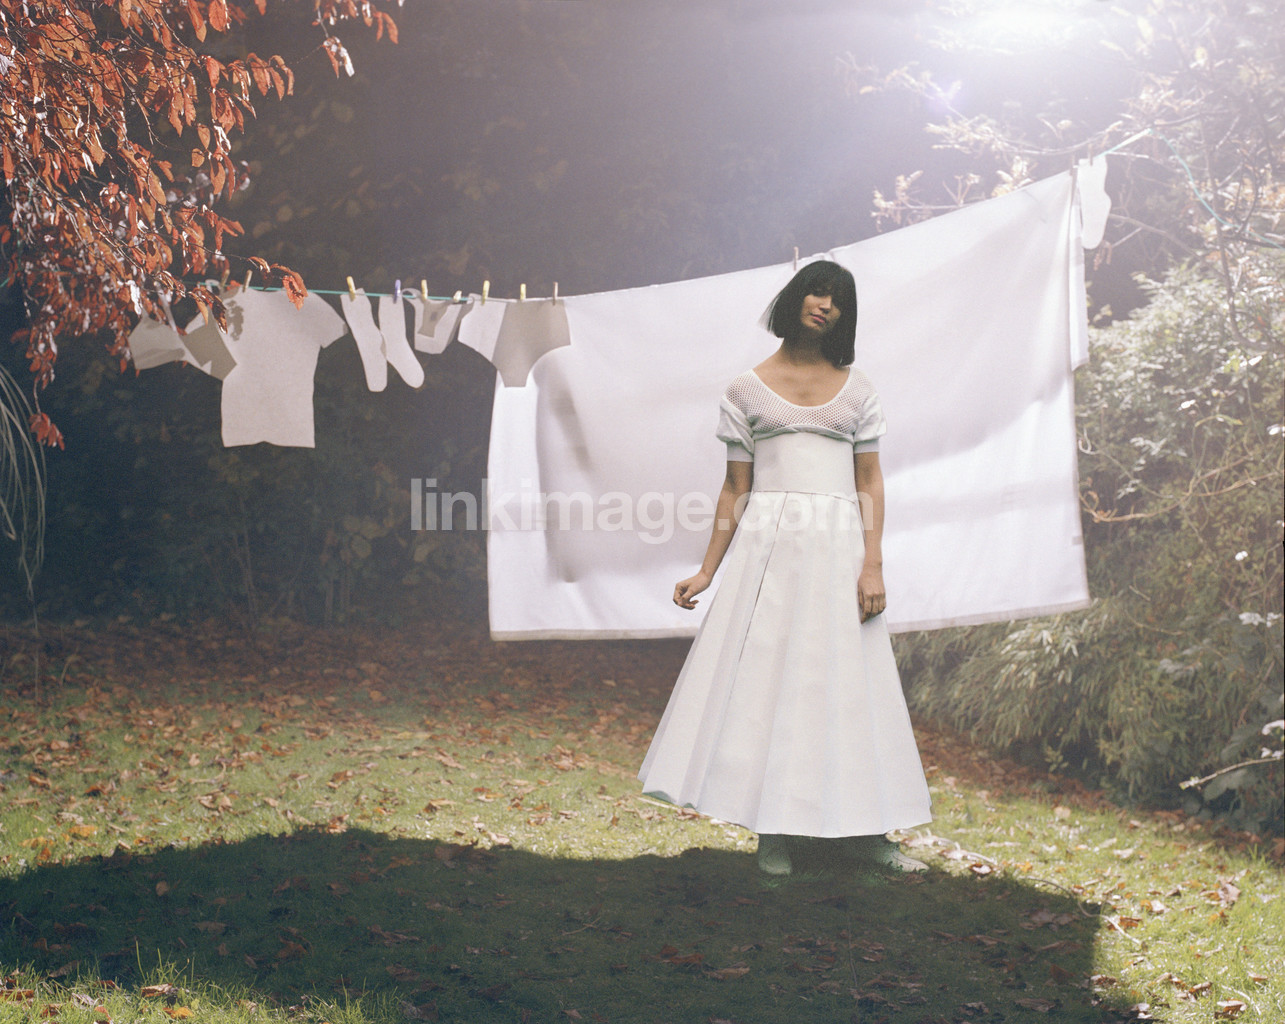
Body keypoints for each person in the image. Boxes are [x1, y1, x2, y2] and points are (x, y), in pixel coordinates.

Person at [637, 260, 932, 875]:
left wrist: (873, 564)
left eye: (839, 300)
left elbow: (869, 480)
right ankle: (772, 830)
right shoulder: (746, 390)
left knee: (852, 687)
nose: (826, 305)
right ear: (796, 297)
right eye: (818, 292)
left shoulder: (858, 390)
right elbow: (734, 489)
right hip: (768, 557)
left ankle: (870, 832)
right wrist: (706, 571)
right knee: (767, 687)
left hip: (840, 554)